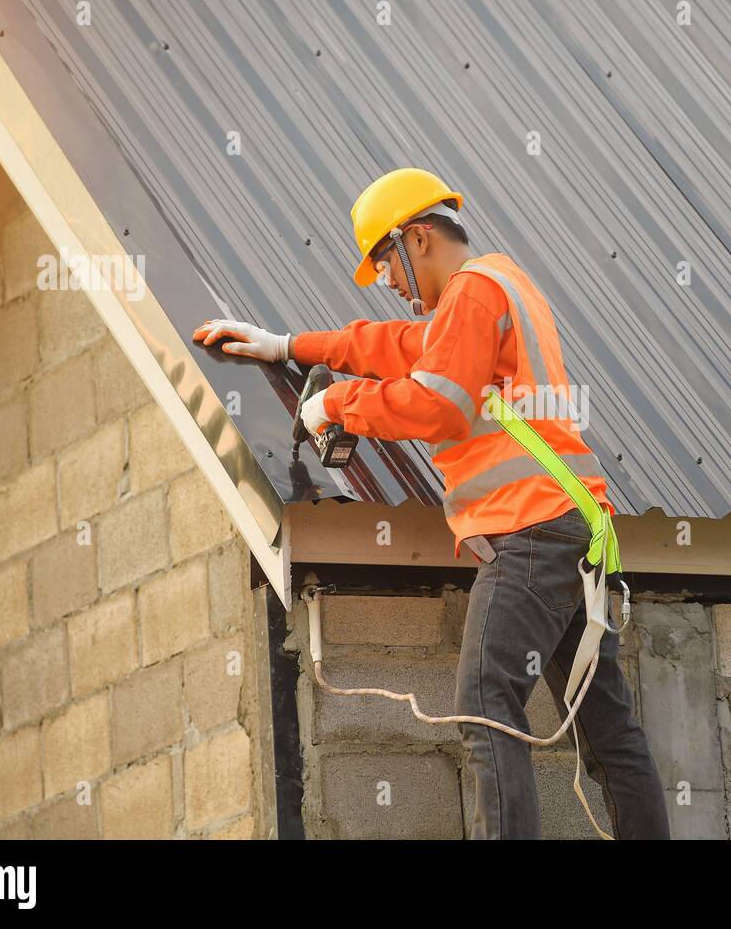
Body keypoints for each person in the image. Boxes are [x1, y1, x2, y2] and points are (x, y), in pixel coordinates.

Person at [193, 168, 669, 839]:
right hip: (574, 533)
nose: (386, 281)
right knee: (610, 730)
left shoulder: (473, 293)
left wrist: (338, 403)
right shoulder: (501, 287)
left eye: (385, 262)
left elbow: (440, 405)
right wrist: (287, 346)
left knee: (484, 703)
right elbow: (388, 345)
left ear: (416, 238)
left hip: (530, 534)